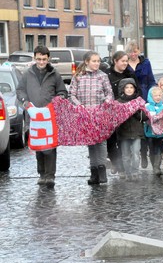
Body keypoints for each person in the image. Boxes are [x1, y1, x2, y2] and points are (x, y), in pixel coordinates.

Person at [16, 46, 68, 187]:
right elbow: (20, 90)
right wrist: (25, 102)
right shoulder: (28, 74)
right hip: (33, 115)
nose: (41, 62)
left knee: (50, 146)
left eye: (44, 59)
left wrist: (59, 99)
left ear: (48, 59)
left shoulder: (54, 74)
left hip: (50, 117)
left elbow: (62, 91)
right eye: (38, 59)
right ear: (34, 58)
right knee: (39, 146)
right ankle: (42, 174)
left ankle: (50, 175)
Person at [69, 51, 114, 185]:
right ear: (87, 62)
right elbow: (71, 94)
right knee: (91, 144)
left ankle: (102, 171)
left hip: (100, 114)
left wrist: (106, 102)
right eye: (94, 61)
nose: (97, 63)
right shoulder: (78, 76)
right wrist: (79, 106)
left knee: (101, 142)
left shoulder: (103, 76)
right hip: (85, 115)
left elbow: (109, 93)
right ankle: (94, 172)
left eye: (98, 61)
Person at [104, 50, 139, 178]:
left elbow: (137, 90)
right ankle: (118, 165)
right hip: (112, 110)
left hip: (128, 112)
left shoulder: (130, 73)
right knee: (111, 140)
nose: (125, 63)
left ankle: (127, 167)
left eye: (126, 61)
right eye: (123, 61)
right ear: (115, 61)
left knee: (125, 140)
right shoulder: (107, 75)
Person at [126, 40, 156, 169]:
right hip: (129, 97)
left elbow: (151, 80)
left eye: (135, 51)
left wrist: (151, 97)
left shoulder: (145, 63)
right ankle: (132, 155)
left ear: (139, 51)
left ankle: (144, 154)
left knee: (144, 127)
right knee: (132, 126)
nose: (133, 54)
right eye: (131, 52)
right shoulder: (125, 63)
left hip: (143, 96)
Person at [116, 79, 147, 180]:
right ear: (122, 89)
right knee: (125, 155)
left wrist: (137, 112)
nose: (129, 90)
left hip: (136, 131)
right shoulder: (118, 102)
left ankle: (135, 172)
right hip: (123, 132)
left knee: (136, 153)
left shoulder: (138, 101)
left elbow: (145, 117)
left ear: (134, 89)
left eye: (131, 87)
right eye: (126, 87)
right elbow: (115, 119)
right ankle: (128, 172)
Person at [145, 86, 163, 176]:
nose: (158, 97)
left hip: (161, 133)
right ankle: (154, 165)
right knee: (152, 149)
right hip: (149, 133)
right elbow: (144, 118)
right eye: (155, 96)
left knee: (158, 149)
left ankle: (157, 167)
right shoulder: (146, 106)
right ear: (151, 96)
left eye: (159, 95)